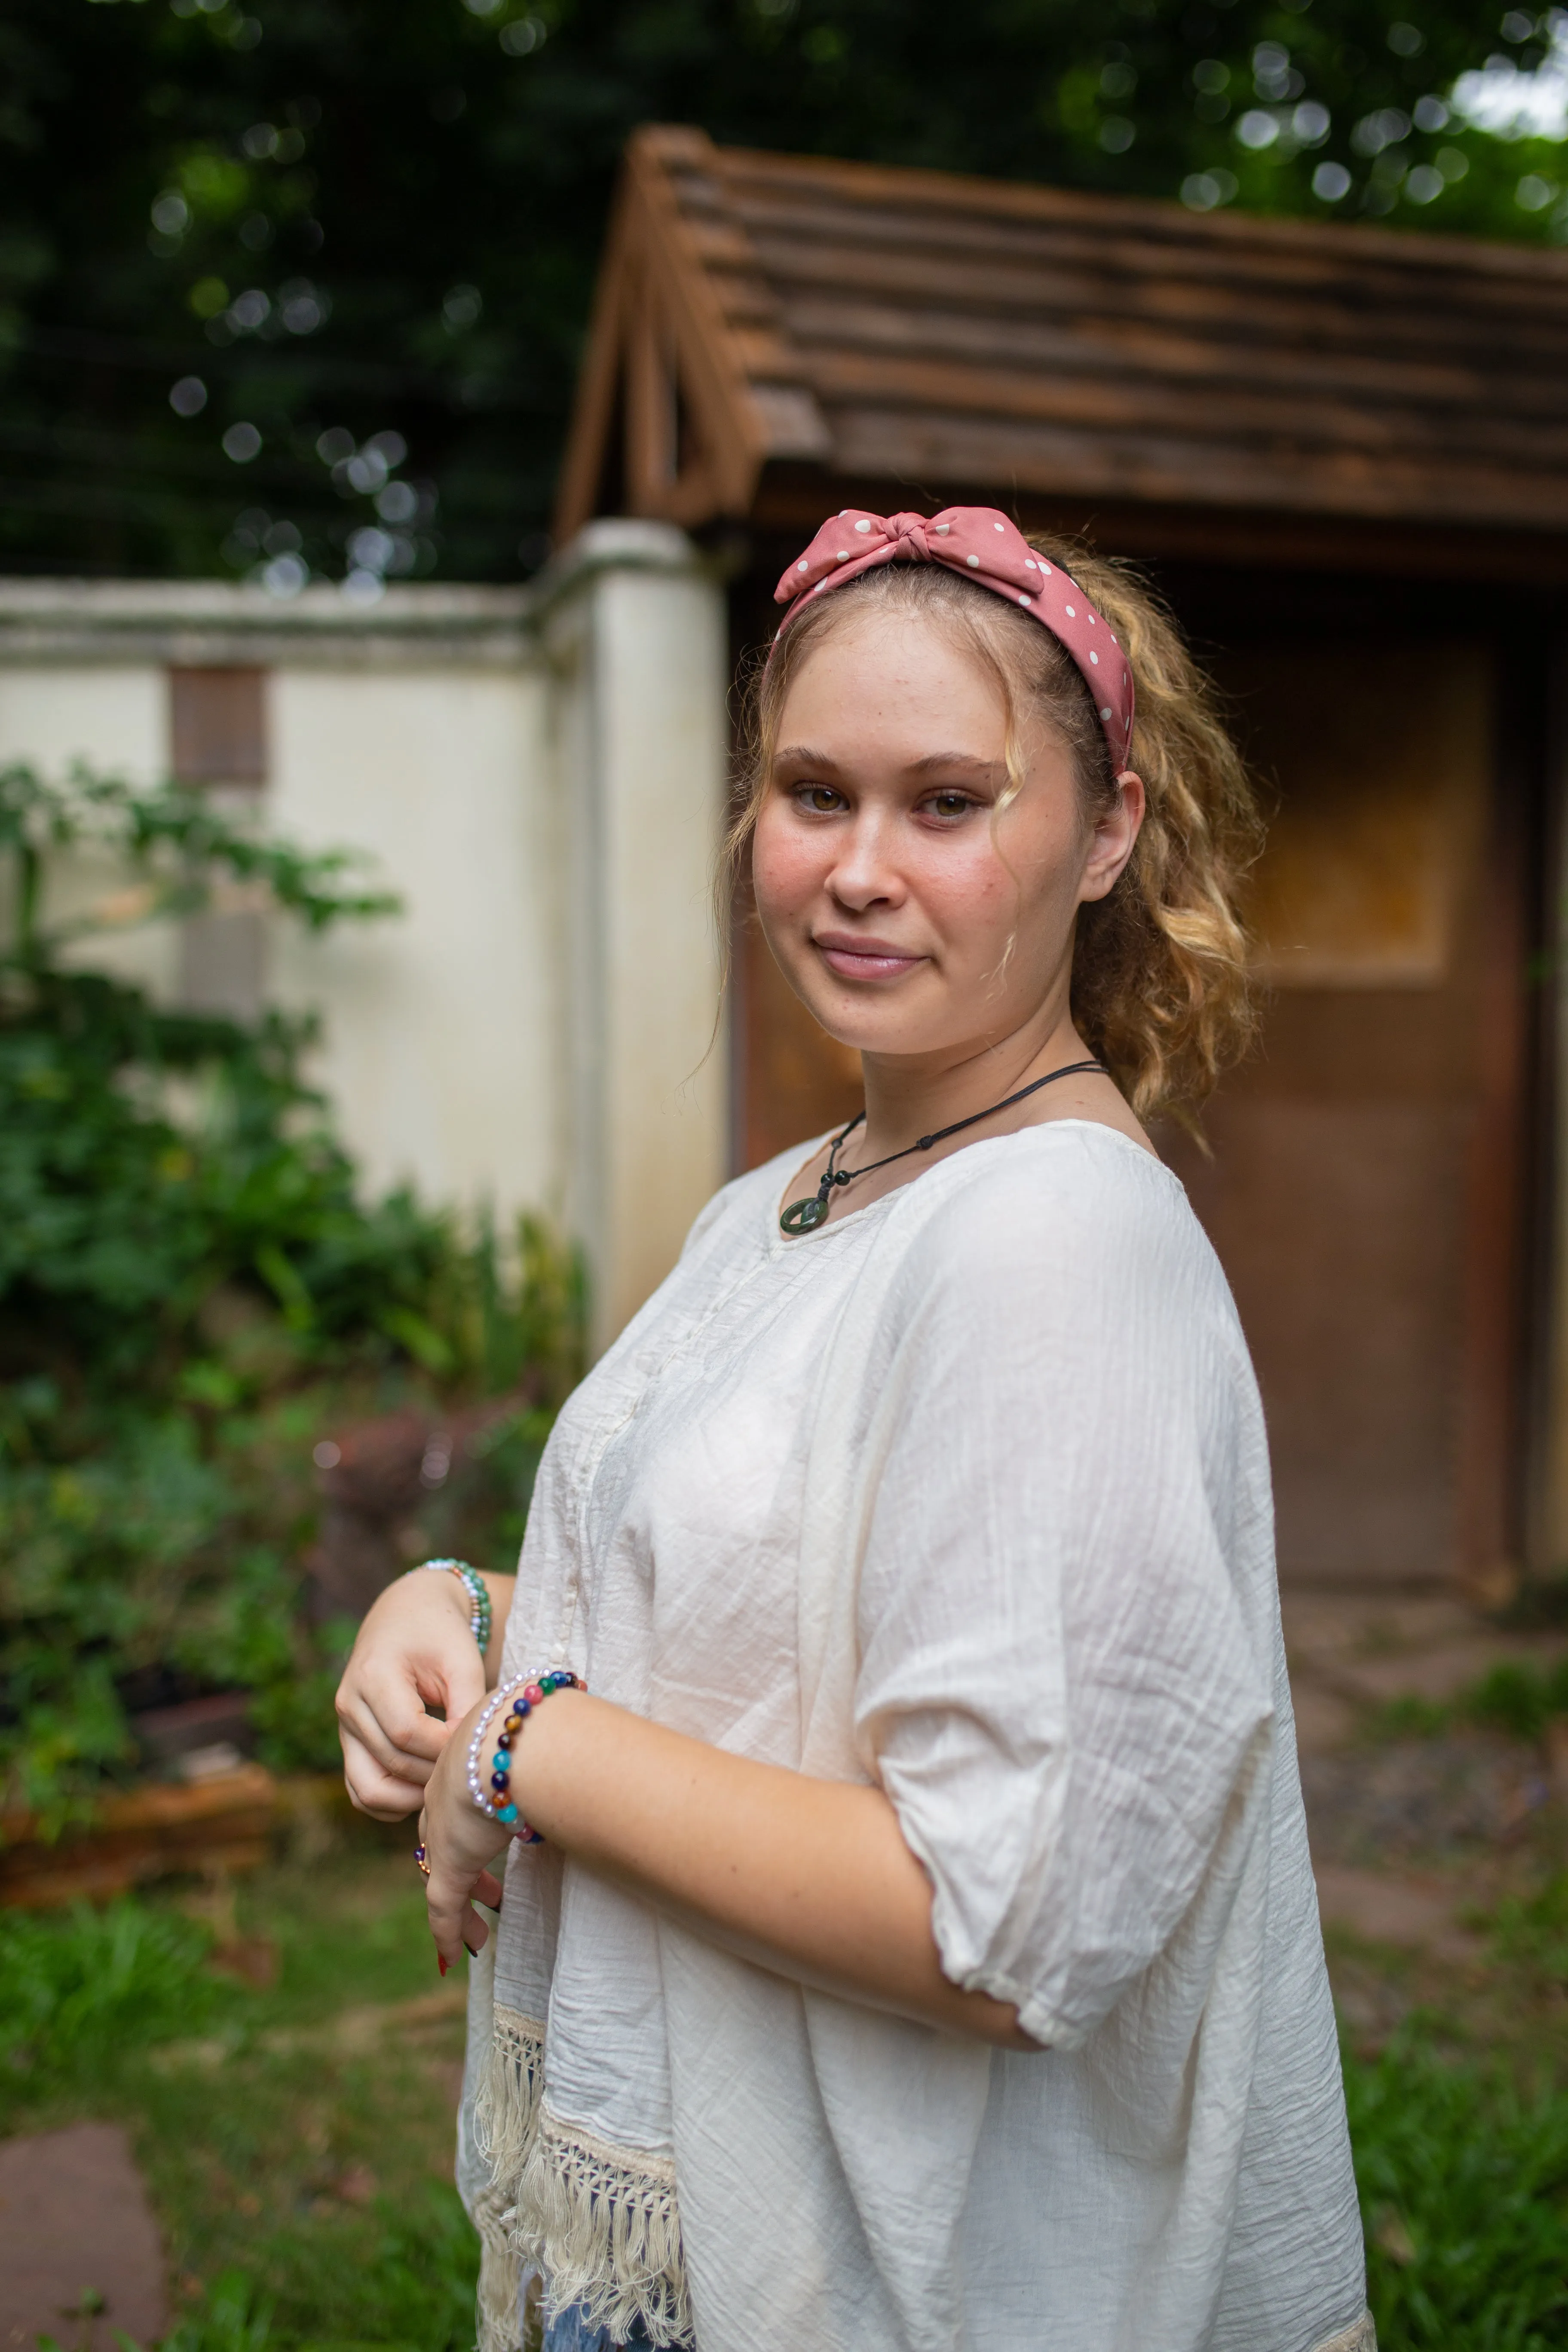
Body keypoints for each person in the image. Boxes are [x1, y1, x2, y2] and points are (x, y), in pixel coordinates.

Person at [335, 507, 1371, 2352]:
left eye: (948, 803)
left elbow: (1000, 1918)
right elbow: (777, 1623)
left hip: (884, 2295)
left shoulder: (1054, 1242)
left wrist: (519, 1753)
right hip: (695, 2251)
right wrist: (470, 1607)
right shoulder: (789, 1204)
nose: (860, 869)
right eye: (815, 792)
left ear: (1108, 832)